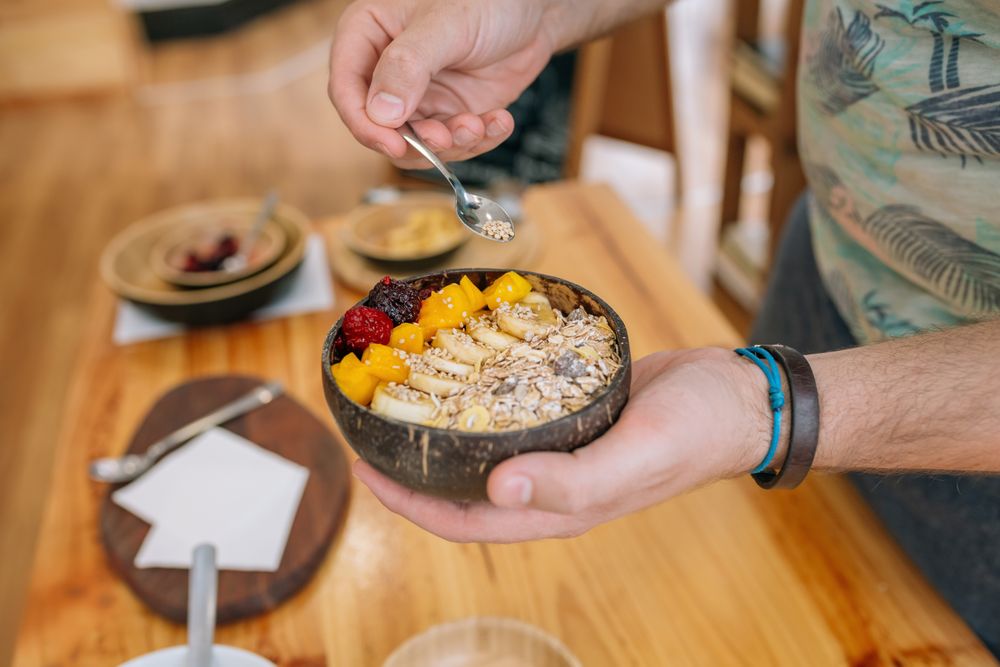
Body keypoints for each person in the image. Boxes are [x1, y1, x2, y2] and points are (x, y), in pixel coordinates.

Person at [328, 0, 1000, 653]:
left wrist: (766, 412)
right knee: (752, 602)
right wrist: (538, 14)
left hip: (973, 456)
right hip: (826, 273)